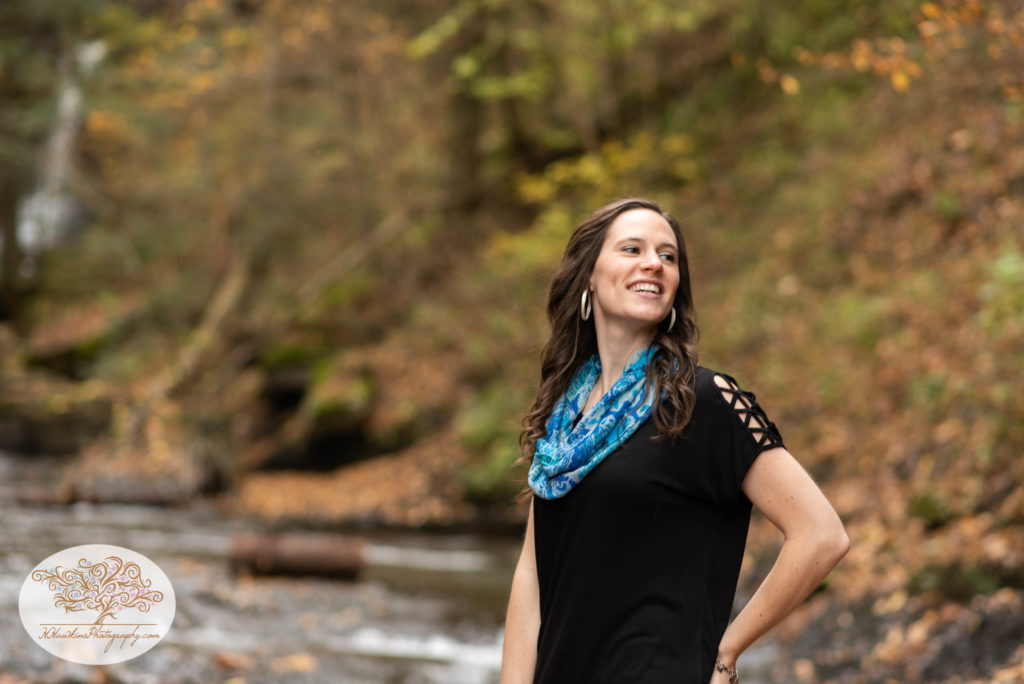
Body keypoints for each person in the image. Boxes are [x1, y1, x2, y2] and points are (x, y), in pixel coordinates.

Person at [500, 198, 849, 684]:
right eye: (632, 248)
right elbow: (532, 576)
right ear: (588, 278)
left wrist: (725, 652)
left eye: (668, 256)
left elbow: (821, 536)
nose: (654, 263)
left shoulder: (703, 402)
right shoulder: (565, 417)